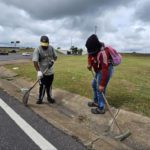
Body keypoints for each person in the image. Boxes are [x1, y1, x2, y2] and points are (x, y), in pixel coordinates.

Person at [85, 34, 113, 114]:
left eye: (92, 51)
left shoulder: (104, 53)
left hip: (106, 69)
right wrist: (89, 64)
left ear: (96, 48)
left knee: (100, 88)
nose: (91, 53)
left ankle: (101, 108)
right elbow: (90, 56)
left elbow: (105, 69)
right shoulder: (92, 49)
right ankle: (96, 102)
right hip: (99, 69)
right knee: (94, 84)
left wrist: (102, 84)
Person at [32, 35, 57, 104]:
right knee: (42, 86)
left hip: (50, 71)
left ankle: (49, 97)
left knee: (49, 86)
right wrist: (38, 71)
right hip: (42, 72)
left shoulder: (51, 48)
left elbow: (55, 57)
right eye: (43, 45)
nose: (44, 46)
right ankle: (40, 98)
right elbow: (35, 62)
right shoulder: (38, 49)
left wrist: (52, 61)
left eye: (46, 45)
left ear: (48, 43)